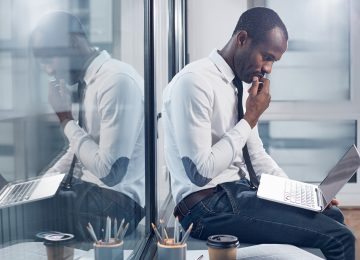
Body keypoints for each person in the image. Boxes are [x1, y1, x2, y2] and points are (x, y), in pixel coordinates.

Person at [162, 7, 355, 260]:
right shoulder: (194, 82)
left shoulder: (233, 86)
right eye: (267, 57)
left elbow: (256, 156)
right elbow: (199, 173)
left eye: (273, 61)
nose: (268, 69)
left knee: (331, 216)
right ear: (242, 39)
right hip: (205, 208)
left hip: (236, 194)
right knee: (341, 239)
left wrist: (304, 197)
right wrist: (250, 117)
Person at [30, 11, 145, 241]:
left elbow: (110, 172)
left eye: (49, 58)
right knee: (21, 205)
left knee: (18, 217)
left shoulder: (116, 81)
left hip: (116, 206)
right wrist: (39, 186)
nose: (49, 71)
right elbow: (78, 152)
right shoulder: (90, 82)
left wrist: (65, 119)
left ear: (73, 42)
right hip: (94, 195)